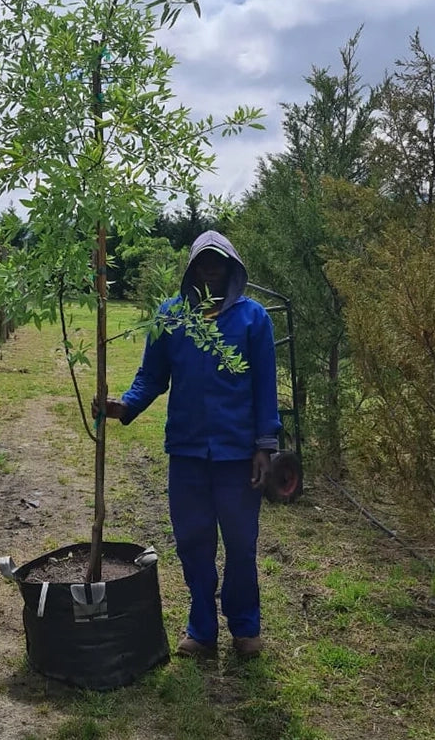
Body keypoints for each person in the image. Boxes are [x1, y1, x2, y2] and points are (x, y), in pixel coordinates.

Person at [97, 230, 281, 659]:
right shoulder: (172, 317)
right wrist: (125, 406)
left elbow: (264, 386)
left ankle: (245, 627)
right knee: (194, 544)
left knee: (240, 545)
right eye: (204, 262)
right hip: (187, 454)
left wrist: (264, 447)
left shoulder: (253, 319)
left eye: (219, 262)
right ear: (193, 268)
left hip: (238, 456)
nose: (211, 269)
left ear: (232, 267)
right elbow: (152, 376)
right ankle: (202, 630)